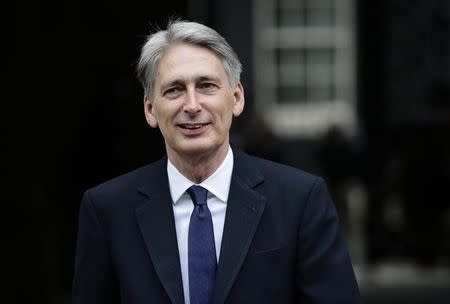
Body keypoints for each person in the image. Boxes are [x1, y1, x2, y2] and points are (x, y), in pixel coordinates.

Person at [72, 20, 362, 304]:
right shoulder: (107, 210)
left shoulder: (300, 200)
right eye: (174, 89)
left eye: (207, 86)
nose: (192, 105)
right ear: (150, 109)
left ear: (236, 98)